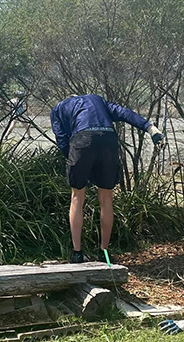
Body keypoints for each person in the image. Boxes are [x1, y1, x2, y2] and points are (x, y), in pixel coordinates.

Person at [50, 94, 165, 263]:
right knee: (106, 198)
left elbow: (62, 140)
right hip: (108, 140)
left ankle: (77, 253)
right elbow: (124, 113)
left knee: (77, 197)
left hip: (82, 140)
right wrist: (149, 127)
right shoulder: (98, 100)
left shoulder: (59, 108)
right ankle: (104, 251)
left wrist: (75, 162)